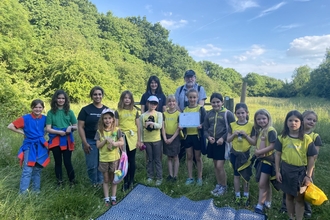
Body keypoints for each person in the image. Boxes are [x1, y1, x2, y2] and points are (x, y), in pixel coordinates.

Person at [280, 110, 323, 218]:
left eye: (314, 120)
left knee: (303, 193)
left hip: (305, 169)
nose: (311, 122)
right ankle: (286, 209)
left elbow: (313, 155)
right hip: (288, 169)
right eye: (309, 119)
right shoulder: (287, 135)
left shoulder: (311, 137)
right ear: (303, 120)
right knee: (288, 192)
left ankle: (306, 210)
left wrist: (308, 174)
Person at [7, 99, 50, 194]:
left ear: (43, 108)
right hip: (29, 145)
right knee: (27, 169)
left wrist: (44, 134)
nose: (38, 109)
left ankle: (36, 191)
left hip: (41, 146)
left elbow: (50, 128)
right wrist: (23, 132)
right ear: (32, 108)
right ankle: (23, 194)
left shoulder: (45, 118)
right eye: (36, 107)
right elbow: (10, 126)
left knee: (38, 169)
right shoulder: (25, 118)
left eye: (40, 107)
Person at [204, 93, 235, 194]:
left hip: (223, 143)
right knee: (215, 165)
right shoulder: (208, 114)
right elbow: (205, 129)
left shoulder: (228, 114)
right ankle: (219, 184)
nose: (216, 104)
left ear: (222, 102)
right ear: (211, 103)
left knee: (219, 166)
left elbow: (232, 128)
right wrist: (208, 137)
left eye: (218, 102)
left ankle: (224, 186)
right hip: (212, 142)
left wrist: (223, 138)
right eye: (213, 102)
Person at [78, 86, 108, 186]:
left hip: (103, 141)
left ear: (102, 96)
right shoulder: (85, 110)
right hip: (89, 140)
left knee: (101, 164)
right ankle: (93, 184)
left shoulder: (106, 110)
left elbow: (111, 127)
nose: (97, 96)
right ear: (92, 96)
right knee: (92, 165)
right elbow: (80, 127)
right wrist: (85, 142)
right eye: (95, 94)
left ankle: (100, 183)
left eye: (99, 94)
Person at [46, 90, 77, 187]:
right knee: (58, 162)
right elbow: (48, 128)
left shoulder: (70, 112)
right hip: (55, 140)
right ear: (55, 99)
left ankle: (72, 181)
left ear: (65, 100)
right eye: (59, 98)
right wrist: (58, 132)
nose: (61, 100)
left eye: (63, 98)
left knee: (67, 161)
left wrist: (70, 127)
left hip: (67, 140)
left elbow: (76, 126)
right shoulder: (50, 113)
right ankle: (59, 182)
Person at [227, 103, 256, 206]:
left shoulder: (251, 126)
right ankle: (237, 195)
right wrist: (234, 134)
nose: (241, 115)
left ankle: (246, 196)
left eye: (243, 113)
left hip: (246, 155)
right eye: (238, 113)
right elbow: (228, 139)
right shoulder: (232, 125)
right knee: (236, 175)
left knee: (245, 176)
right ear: (235, 114)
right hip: (235, 154)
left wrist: (246, 136)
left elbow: (254, 142)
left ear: (247, 113)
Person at [95, 108, 124, 206]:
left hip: (114, 158)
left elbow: (122, 142)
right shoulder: (99, 132)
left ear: (113, 119)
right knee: (106, 179)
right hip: (104, 159)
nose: (107, 120)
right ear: (102, 119)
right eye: (105, 118)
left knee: (114, 179)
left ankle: (113, 197)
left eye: (109, 118)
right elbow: (98, 145)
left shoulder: (117, 130)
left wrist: (114, 143)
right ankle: (106, 198)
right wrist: (105, 140)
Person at [115, 90, 141, 191]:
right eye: (125, 98)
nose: (127, 100)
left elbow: (138, 127)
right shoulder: (118, 111)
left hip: (133, 137)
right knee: (123, 160)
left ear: (131, 100)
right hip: (122, 138)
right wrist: (118, 140)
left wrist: (139, 140)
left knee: (132, 160)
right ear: (122, 99)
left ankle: (132, 180)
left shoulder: (135, 111)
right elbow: (116, 126)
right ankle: (125, 181)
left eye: (129, 98)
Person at [253, 109, 277, 215]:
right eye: (258, 119)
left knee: (262, 184)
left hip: (268, 161)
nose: (261, 121)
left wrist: (259, 152)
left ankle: (260, 205)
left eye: (263, 118)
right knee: (266, 183)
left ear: (268, 119)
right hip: (262, 160)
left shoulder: (271, 130)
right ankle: (268, 202)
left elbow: (273, 145)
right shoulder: (262, 130)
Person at [181, 89, 207, 186]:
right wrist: (181, 126)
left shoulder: (201, 109)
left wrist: (201, 125)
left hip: (197, 136)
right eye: (190, 97)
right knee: (189, 157)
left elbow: (206, 121)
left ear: (197, 98)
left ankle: (199, 177)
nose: (192, 99)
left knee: (198, 157)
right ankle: (190, 177)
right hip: (188, 136)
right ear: (187, 98)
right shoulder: (185, 109)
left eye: (194, 97)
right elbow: (182, 123)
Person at [139, 95, 163, 186]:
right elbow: (141, 129)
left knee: (157, 159)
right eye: (151, 103)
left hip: (157, 140)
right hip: (147, 140)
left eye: (155, 104)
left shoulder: (159, 114)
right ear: (147, 103)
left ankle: (159, 177)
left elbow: (160, 126)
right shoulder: (142, 116)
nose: (153, 105)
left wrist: (152, 123)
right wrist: (141, 141)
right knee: (149, 159)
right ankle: (150, 176)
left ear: (157, 105)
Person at [162, 95, 180, 182]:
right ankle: (170, 175)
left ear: (176, 103)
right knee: (169, 157)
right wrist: (165, 138)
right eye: (169, 101)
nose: (171, 103)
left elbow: (179, 129)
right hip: (166, 136)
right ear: (167, 103)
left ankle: (175, 176)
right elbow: (163, 127)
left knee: (175, 157)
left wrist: (172, 139)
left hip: (175, 137)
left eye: (173, 101)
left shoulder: (179, 114)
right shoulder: (164, 114)